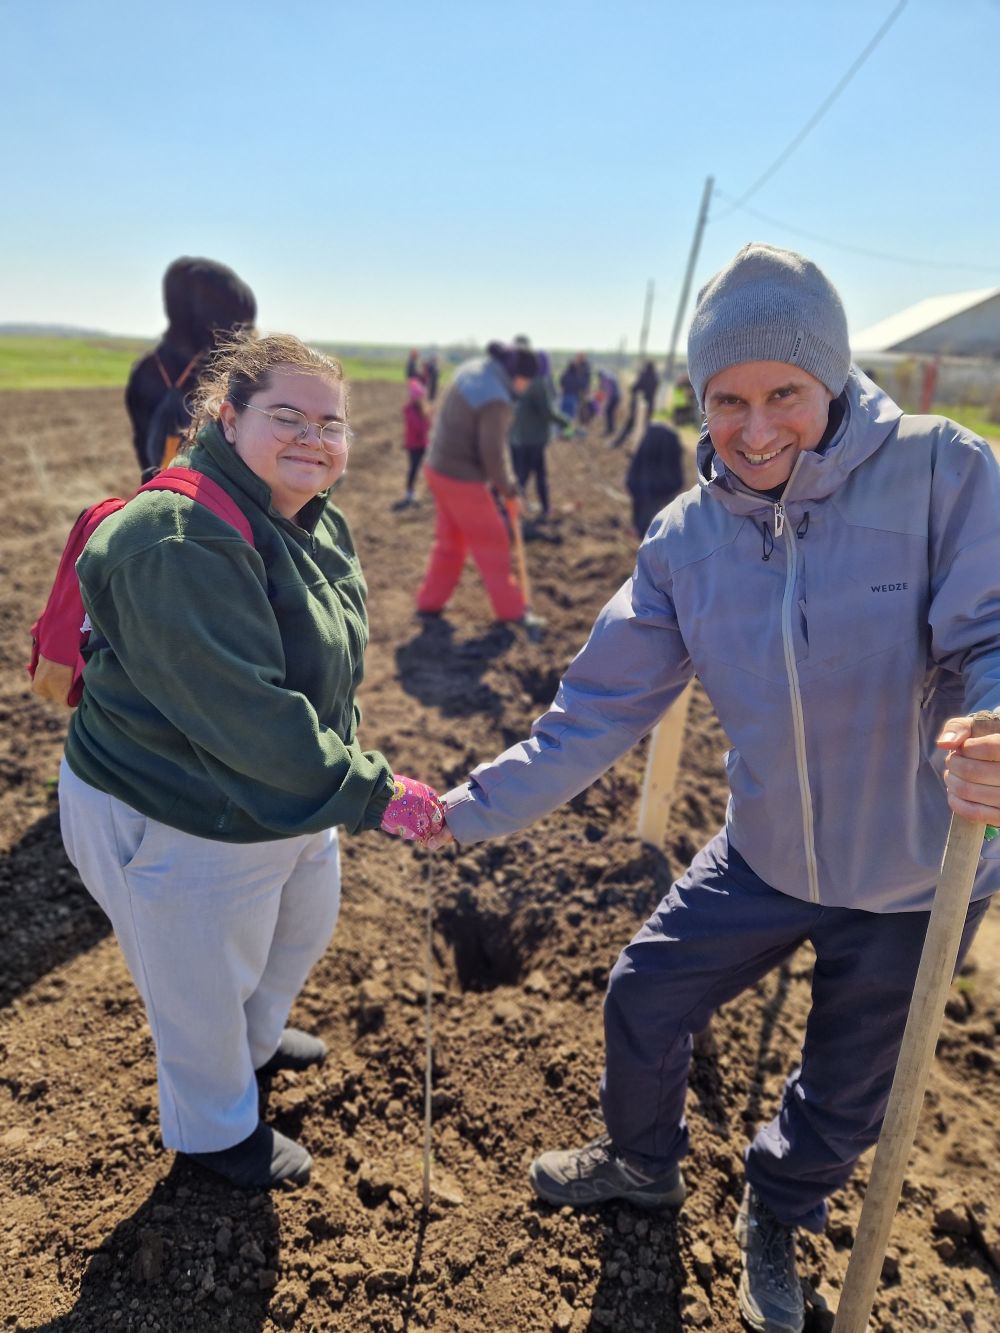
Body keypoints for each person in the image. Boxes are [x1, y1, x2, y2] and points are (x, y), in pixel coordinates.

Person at [431, 244, 1000, 1333]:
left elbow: (991, 635)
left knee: (847, 1089)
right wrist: (466, 811)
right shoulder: (686, 539)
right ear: (699, 401)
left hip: (920, 869)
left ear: (831, 379)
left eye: (784, 392)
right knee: (643, 995)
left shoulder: (943, 471)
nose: (755, 426)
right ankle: (643, 1162)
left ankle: (777, 1212)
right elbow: (593, 710)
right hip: (767, 850)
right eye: (727, 399)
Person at [59, 332, 445, 1191]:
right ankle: (214, 1128)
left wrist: (339, 777)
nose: (315, 438)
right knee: (199, 984)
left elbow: (321, 673)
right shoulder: (177, 539)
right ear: (227, 418)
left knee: (299, 926)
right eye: (288, 416)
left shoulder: (312, 514)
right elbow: (246, 715)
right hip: (177, 805)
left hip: (281, 791)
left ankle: (258, 1041)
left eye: (331, 423)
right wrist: (373, 791)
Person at [415, 340, 542, 628]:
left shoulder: (475, 370)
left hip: (437, 468)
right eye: (527, 382)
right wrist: (509, 489)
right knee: (493, 542)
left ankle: (430, 602)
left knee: (450, 542)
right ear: (519, 376)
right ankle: (512, 612)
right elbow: (493, 454)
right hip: (461, 477)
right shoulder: (496, 399)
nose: (526, 388)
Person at [125, 256, 257, 480]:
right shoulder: (233, 373)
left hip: (159, 488)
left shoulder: (145, 370)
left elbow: (144, 447)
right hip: (215, 495)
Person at [509, 350, 570, 521]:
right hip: (533, 438)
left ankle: (534, 507)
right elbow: (546, 412)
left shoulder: (519, 380)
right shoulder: (538, 383)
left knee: (525, 474)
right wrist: (565, 422)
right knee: (533, 476)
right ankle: (534, 508)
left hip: (518, 436)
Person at [625, 420, 684, 538]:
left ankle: (641, 530)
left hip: (650, 485)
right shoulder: (669, 439)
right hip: (662, 486)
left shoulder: (652, 437)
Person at [393, 375, 431, 510]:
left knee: (423, 467)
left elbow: (427, 423)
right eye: (419, 396)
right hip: (415, 445)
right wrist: (426, 430)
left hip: (422, 443)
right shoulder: (411, 410)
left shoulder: (421, 408)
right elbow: (418, 427)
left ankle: (423, 490)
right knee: (414, 468)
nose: (421, 398)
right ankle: (409, 493)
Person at [609, 359, 660, 449]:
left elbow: (635, 388)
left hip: (639, 406)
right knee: (645, 429)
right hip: (649, 406)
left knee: (629, 425)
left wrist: (633, 384)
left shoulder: (643, 376)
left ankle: (617, 443)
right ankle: (645, 448)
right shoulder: (656, 378)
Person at [597, 368, 621, 436]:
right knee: (610, 412)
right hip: (617, 396)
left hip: (614, 397)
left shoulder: (605, 379)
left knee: (608, 412)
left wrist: (607, 399)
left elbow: (609, 390)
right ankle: (612, 428)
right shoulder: (609, 376)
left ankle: (610, 429)